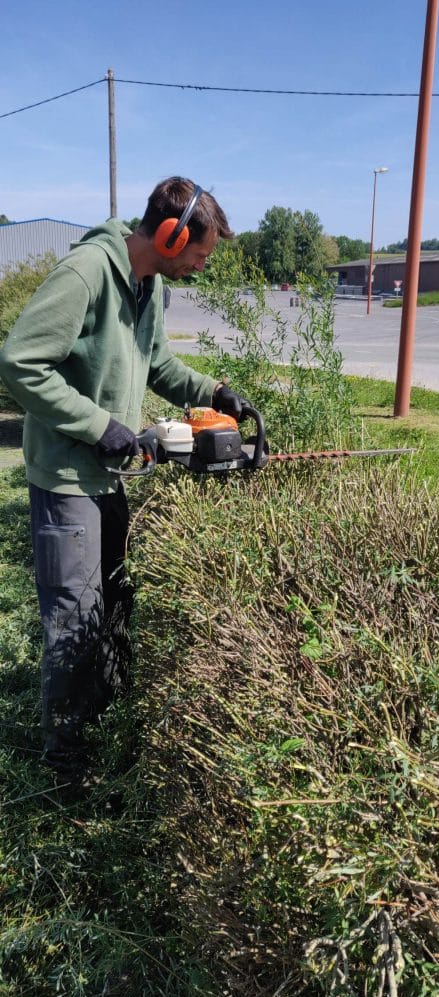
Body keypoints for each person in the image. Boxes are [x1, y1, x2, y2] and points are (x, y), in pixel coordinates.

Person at [0, 176, 250, 781]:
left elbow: (156, 361)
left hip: (108, 474)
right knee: (75, 617)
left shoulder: (149, 285)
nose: (200, 264)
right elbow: (19, 363)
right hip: (67, 476)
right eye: (199, 252)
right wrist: (98, 425)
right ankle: (68, 764)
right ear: (170, 234)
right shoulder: (87, 273)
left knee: (114, 604)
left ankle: (109, 729)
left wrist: (211, 392)